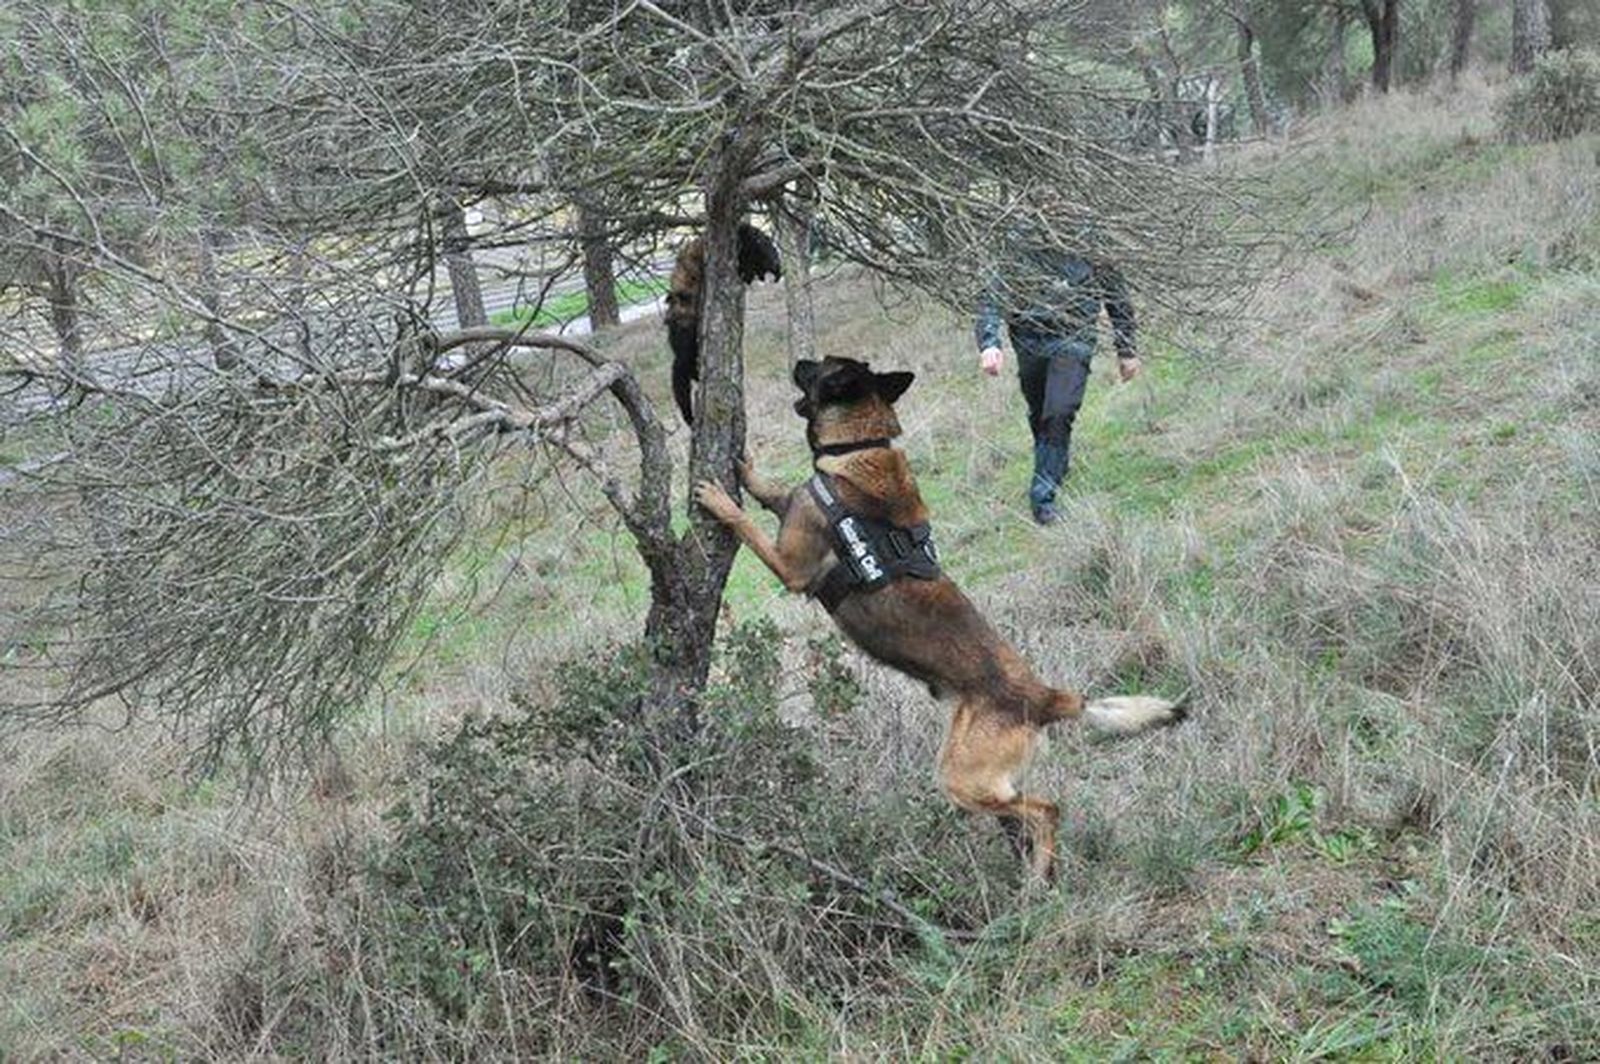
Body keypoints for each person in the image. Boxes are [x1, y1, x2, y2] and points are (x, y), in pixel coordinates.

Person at [975, 230, 1141, 525]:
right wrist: (990, 343)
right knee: (1041, 414)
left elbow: (1117, 296)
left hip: (1073, 338)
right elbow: (992, 294)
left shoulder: (1091, 240)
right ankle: (1054, 463)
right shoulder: (1016, 241)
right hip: (1029, 339)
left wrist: (1126, 349)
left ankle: (1043, 499)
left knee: (1059, 411)